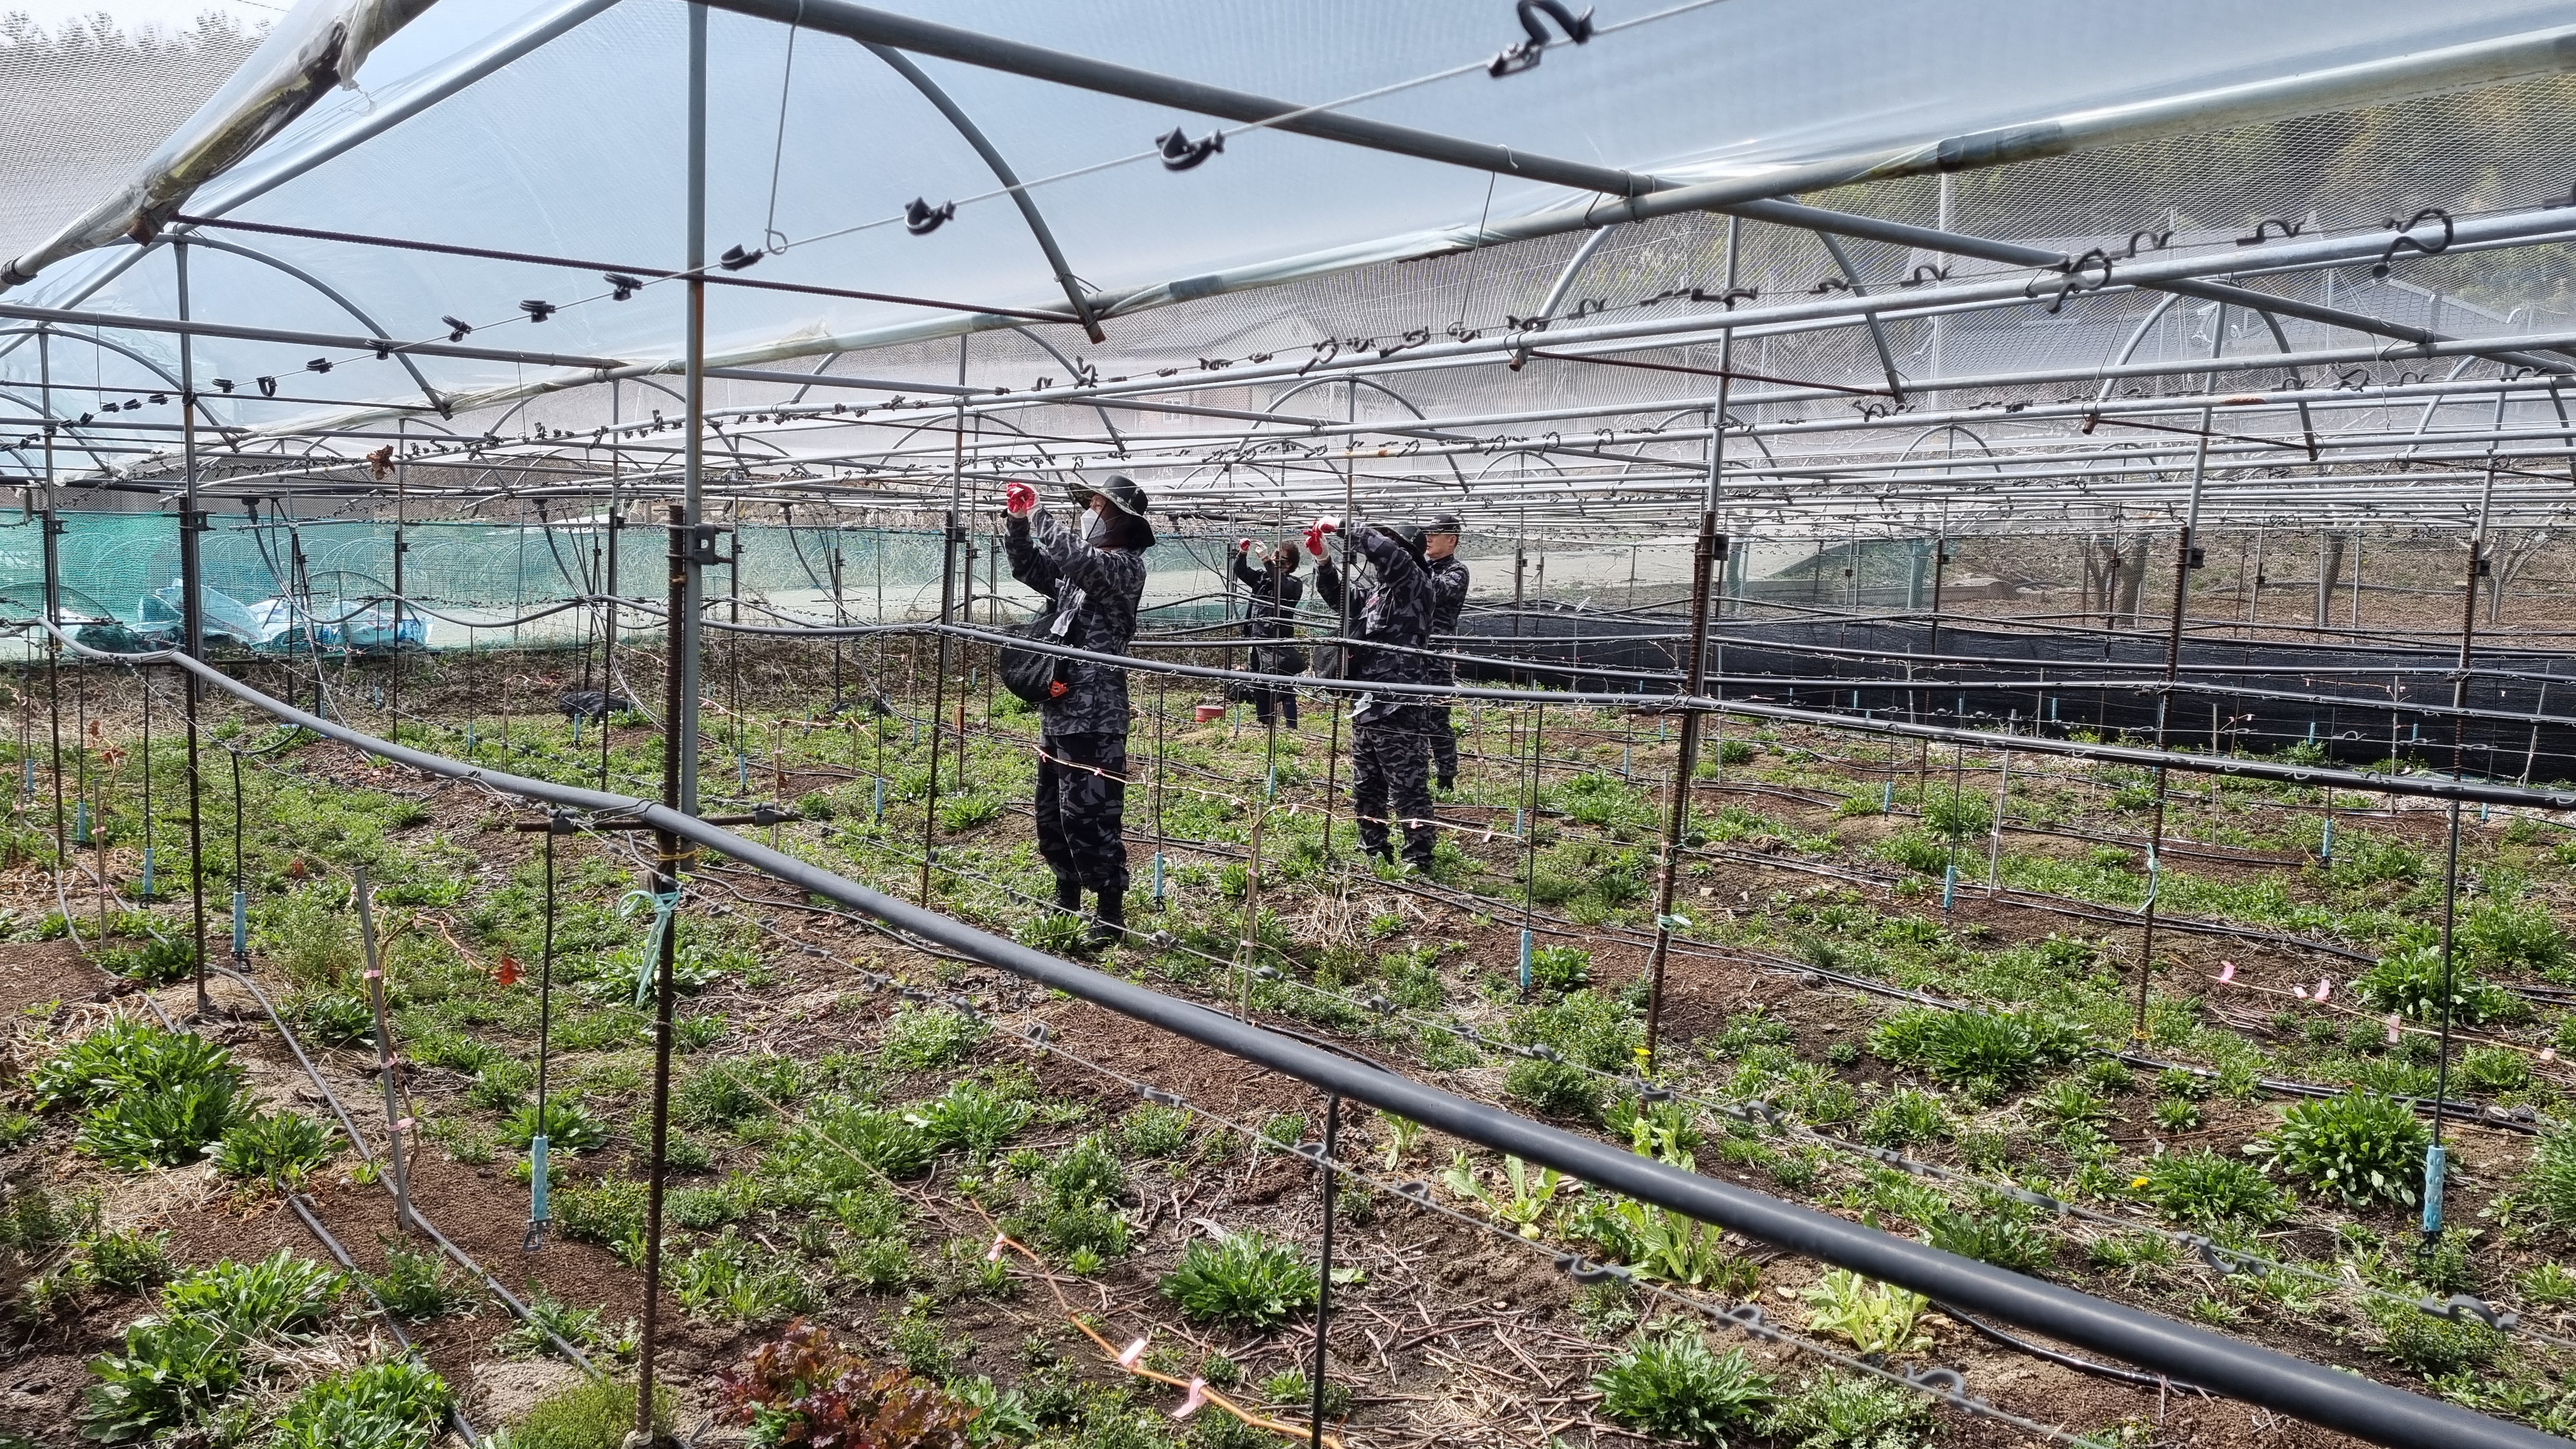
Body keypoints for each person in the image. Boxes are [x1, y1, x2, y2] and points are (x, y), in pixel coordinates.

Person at [1004, 474, 1154, 946]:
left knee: (1090, 816)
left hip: (1096, 715)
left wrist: (1040, 515)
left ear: (1121, 521)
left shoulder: (1124, 569)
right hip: (1060, 708)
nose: (1089, 513)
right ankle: (1066, 894)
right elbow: (1030, 567)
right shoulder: (1078, 572)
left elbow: (1080, 560)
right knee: (1052, 813)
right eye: (1088, 504)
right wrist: (1018, 523)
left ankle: (1109, 912)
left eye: (1096, 506)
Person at [1311, 516, 1439, 871]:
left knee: (1407, 785)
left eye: (1392, 542)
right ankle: (1374, 847)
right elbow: (1342, 600)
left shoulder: (1414, 584)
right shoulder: (1379, 594)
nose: (1382, 549)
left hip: (1398, 704)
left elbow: (1389, 554)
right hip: (1367, 703)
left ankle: (1418, 857)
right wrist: (1324, 561)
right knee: (1367, 785)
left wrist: (1344, 525)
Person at [1232, 537, 1305, 728]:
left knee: (1283, 683)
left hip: (1277, 640)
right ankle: (1266, 722)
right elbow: (1241, 571)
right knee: (1257, 680)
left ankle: (1291, 726)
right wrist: (1243, 553)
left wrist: (1266, 561)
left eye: (1280, 558)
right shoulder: (1263, 579)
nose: (1274, 560)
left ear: (1289, 564)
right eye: (1273, 556)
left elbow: (1281, 586)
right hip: (1256, 637)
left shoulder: (1294, 584)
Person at [1419, 512, 1469, 790]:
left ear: (1451, 540)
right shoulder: (1423, 566)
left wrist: (1412, 566)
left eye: (1435, 534)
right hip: (1412, 652)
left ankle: (1446, 777)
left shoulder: (1457, 572)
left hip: (1437, 655)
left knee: (1437, 717)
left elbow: (1433, 590)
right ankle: (1415, 772)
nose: (1429, 538)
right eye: (1427, 533)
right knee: (1410, 714)